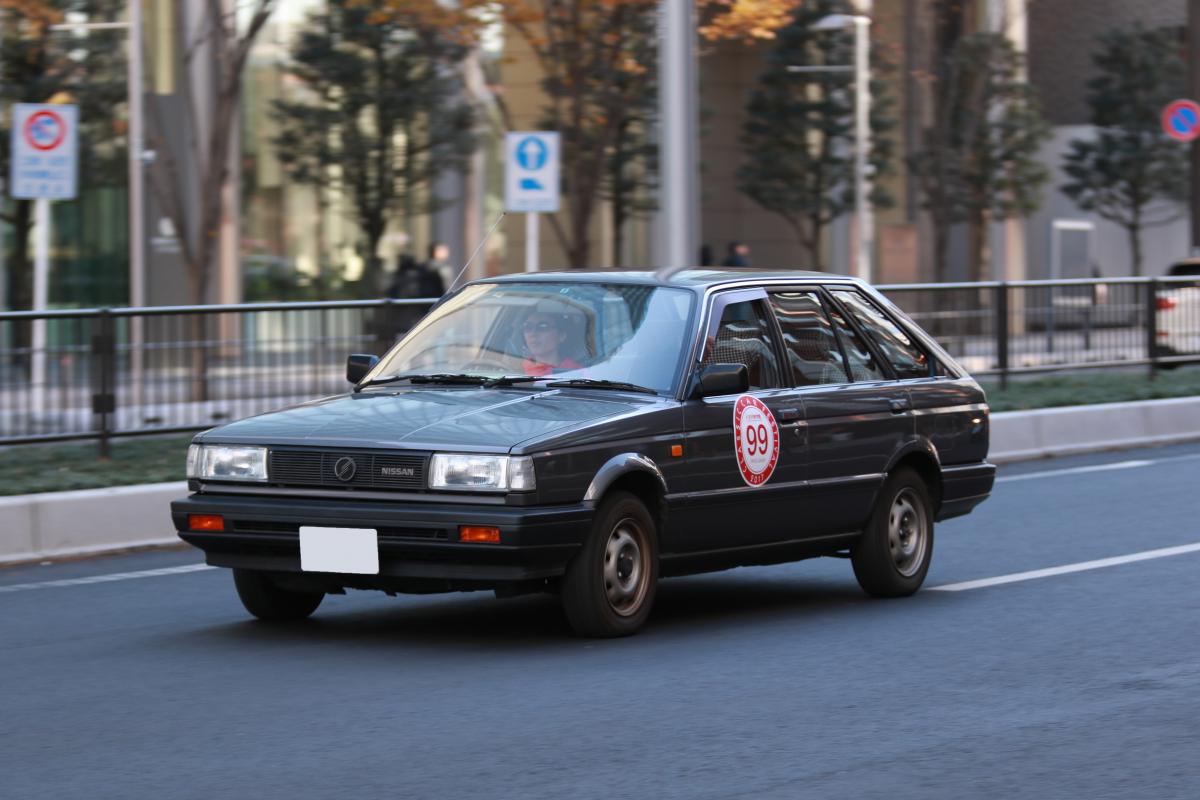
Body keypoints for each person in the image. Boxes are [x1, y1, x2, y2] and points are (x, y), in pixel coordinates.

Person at [520, 310, 582, 376]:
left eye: (542, 327)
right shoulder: (517, 367)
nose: (533, 333)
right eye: (528, 327)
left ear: (561, 336)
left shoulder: (576, 372)